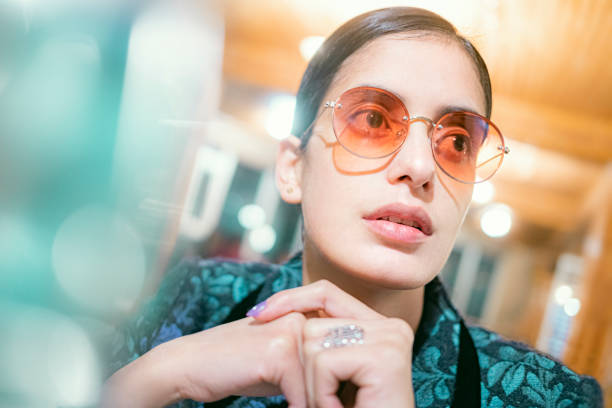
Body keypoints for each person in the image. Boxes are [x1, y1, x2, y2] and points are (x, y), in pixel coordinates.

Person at [102, 7, 603, 408]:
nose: (421, 167)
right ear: (292, 169)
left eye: (455, 141)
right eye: (373, 118)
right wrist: (157, 377)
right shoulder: (188, 303)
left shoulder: (547, 396)